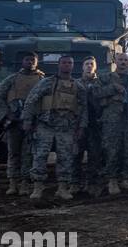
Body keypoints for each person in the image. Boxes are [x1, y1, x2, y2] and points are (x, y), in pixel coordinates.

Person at [21, 54, 88, 203]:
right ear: (59, 65)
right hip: (46, 126)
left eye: (69, 63)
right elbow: (32, 100)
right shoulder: (47, 83)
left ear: (73, 66)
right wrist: (27, 120)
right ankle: (38, 188)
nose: (66, 65)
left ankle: (62, 188)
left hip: (66, 127)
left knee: (65, 158)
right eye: (64, 63)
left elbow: (84, 109)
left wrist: (82, 127)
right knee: (40, 156)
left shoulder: (78, 87)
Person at [91, 52, 128, 194]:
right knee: (111, 150)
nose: (123, 62)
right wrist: (113, 89)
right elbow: (95, 94)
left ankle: (125, 179)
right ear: (115, 61)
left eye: (125, 60)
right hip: (111, 120)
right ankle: (112, 180)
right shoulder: (105, 78)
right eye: (120, 60)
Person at [0, 51, 45, 196]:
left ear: (37, 62)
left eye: (33, 60)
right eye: (27, 60)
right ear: (22, 62)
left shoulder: (42, 80)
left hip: (32, 124)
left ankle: (24, 183)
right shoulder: (11, 79)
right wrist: (6, 114)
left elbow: (46, 101)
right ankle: (12, 183)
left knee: (28, 155)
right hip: (14, 123)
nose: (30, 62)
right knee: (13, 153)